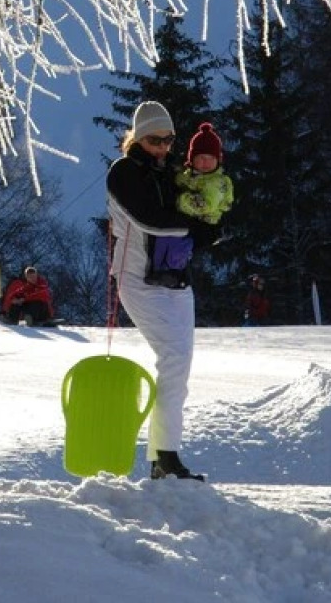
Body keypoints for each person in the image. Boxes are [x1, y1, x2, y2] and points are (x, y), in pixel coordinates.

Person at [106, 100, 220, 482]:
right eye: (155, 139)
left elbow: (190, 212)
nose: (163, 147)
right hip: (138, 279)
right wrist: (193, 227)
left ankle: (162, 457)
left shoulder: (167, 172)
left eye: (169, 140)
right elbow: (149, 220)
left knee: (179, 364)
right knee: (173, 358)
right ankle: (166, 457)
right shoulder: (123, 173)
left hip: (174, 279)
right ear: (138, 137)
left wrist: (211, 218)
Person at [175, 122, 234, 227]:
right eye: (201, 157)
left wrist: (180, 200)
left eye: (211, 158)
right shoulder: (190, 174)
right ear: (192, 160)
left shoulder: (216, 182)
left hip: (204, 223)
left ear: (218, 161)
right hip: (187, 221)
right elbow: (180, 180)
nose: (206, 162)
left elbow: (206, 206)